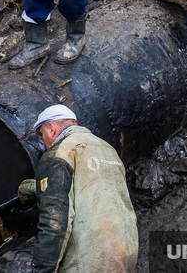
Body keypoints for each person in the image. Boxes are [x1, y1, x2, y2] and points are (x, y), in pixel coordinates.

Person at [17, 105, 138, 273]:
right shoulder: (107, 149)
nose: (45, 144)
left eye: (43, 136)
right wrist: (38, 187)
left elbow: (55, 222)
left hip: (90, 260)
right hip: (126, 253)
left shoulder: (59, 153)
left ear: (51, 128)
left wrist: (41, 270)